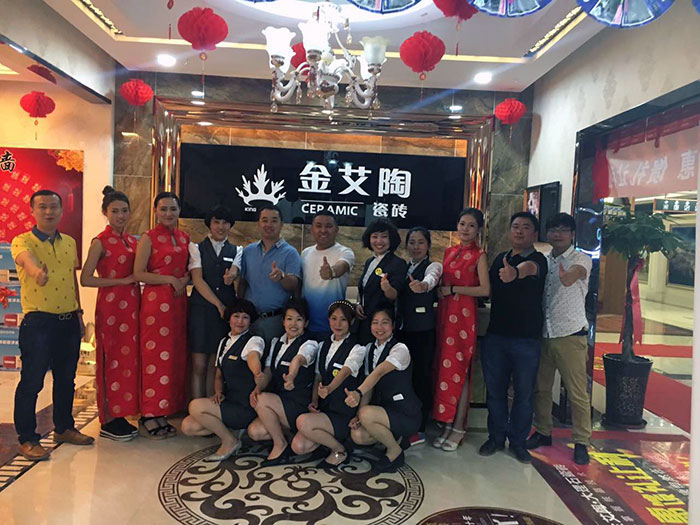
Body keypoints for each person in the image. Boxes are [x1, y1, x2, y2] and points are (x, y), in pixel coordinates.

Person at [11, 189, 93, 461]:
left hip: (68, 321)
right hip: (39, 323)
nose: (49, 212)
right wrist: (37, 273)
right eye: (43, 207)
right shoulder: (22, 240)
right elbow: (27, 260)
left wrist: (79, 314)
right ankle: (27, 438)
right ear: (32, 211)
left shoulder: (69, 242)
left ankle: (64, 428)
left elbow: (71, 279)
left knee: (66, 379)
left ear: (61, 210)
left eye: (54, 207)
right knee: (32, 381)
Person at [479, 211, 547, 464]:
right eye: (515, 226)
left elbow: (528, 269)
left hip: (526, 340)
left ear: (534, 233)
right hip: (496, 337)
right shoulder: (500, 258)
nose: (519, 231)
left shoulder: (539, 260)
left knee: (523, 394)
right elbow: (487, 289)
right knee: (495, 392)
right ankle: (496, 437)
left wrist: (515, 274)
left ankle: (518, 442)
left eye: (525, 227)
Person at [527, 212, 592, 465]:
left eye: (563, 230)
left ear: (572, 234)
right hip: (544, 333)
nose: (557, 234)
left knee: (577, 392)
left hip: (570, 335)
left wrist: (569, 277)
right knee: (541, 389)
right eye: (553, 230)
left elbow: (576, 273)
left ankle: (582, 441)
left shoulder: (581, 259)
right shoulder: (545, 260)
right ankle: (543, 431)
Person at [81, 186, 140, 441]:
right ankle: (108, 419)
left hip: (133, 307)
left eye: (124, 211)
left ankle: (123, 413)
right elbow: (86, 279)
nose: (120, 216)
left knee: (128, 361)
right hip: (111, 307)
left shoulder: (133, 241)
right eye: (115, 211)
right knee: (110, 360)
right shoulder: (100, 242)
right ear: (105, 212)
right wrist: (119, 281)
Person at [432, 209, 490, 451]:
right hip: (445, 315)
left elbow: (485, 290)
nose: (465, 229)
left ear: (478, 230)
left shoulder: (479, 255)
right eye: (462, 224)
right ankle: (446, 423)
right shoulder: (449, 251)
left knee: (461, 371)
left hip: (464, 318)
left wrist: (454, 289)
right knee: (445, 370)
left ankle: (458, 427)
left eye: (471, 225)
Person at [133, 191, 190, 439]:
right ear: (155, 211)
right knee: (154, 358)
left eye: (173, 209)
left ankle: (163, 411)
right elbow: (138, 273)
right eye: (163, 209)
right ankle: (148, 414)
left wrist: (183, 280)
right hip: (156, 306)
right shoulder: (148, 238)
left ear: (179, 211)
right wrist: (169, 279)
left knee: (173, 358)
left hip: (178, 304)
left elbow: (188, 270)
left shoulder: (184, 237)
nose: (168, 213)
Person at [181, 299, 265, 461]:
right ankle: (233, 430)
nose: (240, 321)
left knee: (195, 405)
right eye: (236, 316)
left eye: (245, 317)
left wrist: (257, 372)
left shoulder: (254, 340)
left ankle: (230, 441)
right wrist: (218, 392)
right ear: (229, 318)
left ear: (251, 321)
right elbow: (218, 375)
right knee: (188, 426)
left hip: (245, 405)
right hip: (228, 401)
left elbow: (253, 356)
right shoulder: (224, 342)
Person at [345, 305, 421, 473]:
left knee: (366, 414)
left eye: (385, 322)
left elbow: (379, 372)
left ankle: (395, 452)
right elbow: (370, 385)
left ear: (393, 325)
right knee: (357, 435)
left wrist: (357, 393)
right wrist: (358, 415)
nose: (379, 327)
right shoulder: (370, 349)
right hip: (385, 411)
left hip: (405, 413)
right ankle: (395, 438)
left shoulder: (400, 349)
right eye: (375, 322)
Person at [291, 300, 368, 468]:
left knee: (302, 422)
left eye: (343, 319)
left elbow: (346, 370)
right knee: (299, 446)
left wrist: (330, 388)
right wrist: (315, 401)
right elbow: (318, 376)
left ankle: (340, 450)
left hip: (344, 412)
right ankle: (329, 441)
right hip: (325, 410)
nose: (337, 324)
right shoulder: (323, 344)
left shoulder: (357, 348)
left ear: (351, 322)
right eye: (334, 318)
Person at [247, 299, 319, 465]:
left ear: (306, 323)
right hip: (280, 401)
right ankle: (288, 433)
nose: (293, 324)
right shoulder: (276, 342)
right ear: (283, 321)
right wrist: (258, 387)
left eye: (299, 319)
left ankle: (280, 444)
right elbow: (268, 371)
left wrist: (291, 375)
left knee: (263, 400)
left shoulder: (310, 344)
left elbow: (299, 359)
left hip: (299, 403)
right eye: (289, 319)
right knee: (255, 431)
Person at [188, 205, 242, 399]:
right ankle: (196, 407)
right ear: (209, 224)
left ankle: (211, 409)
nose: (220, 226)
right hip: (201, 312)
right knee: (198, 365)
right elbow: (197, 280)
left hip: (224, 315)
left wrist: (231, 277)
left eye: (225, 223)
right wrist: (219, 305)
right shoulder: (196, 248)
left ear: (230, 226)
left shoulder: (237, 250)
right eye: (216, 222)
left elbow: (235, 269)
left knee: (215, 364)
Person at [397, 227, 442, 439]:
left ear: (428, 245)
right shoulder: (404, 267)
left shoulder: (433, 266)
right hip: (403, 332)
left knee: (421, 378)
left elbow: (432, 278)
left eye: (421, 242)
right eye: (412, 242)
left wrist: (424, 285)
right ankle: (405, 421)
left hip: (423, 333)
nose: (416, 247)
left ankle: (421, 426)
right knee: (404, 378)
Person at [238, 204, 302, 343]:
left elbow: (294, 284)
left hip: (275, 321)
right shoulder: (248, 251)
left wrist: (282, 277)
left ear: (281, 224)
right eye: (265, 220)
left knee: (271, 356)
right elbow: (242, 282)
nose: (269, 225)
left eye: (274, 220)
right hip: (249, 319)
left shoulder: (290, 253)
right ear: (258, 224)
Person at [301, 211, 354, 341]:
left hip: (333, 328)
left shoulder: (345, 252)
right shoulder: (305, 253)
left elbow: (342, 266)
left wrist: (331, 272)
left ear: (336, 230)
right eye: (318, 226)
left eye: (329, 226)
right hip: (305, 325)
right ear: (311, 229)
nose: (323, 230)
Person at [355, 219, 407, 344]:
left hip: (382, 325)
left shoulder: (398, 263)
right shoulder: (369, 262)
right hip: (365, 321)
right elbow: (365, 289)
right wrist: (358, 304)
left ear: (391, 239)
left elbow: (394, 294)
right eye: (375, 237)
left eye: (384, 237)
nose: (379, 241)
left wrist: (387, 288)